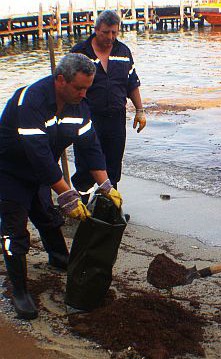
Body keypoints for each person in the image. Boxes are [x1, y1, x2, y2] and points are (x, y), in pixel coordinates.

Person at [0, 53, 122, 320]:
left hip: (41, 172)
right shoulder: (30, 100)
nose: (83, 93)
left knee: (47, 217)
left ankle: (57, 257)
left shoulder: (79, 105)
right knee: (15, 231)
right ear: (60, 80)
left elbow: (90, 146)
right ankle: (19, 290)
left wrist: (106, 186)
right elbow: (38, 152)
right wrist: (66, 192)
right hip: (10, 171)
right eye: (79, 87)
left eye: (87, 88)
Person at [70, 10, 146, 206]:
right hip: (87, 119)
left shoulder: (123, 52)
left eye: (114, 32)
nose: (110, 37)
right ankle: (82, 203)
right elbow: (68, 86)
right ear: (96, 30)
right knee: (86, 164)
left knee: (113, 164)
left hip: (116, 118)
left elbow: (132, 83)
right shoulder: (80, 53)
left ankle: (108, 206)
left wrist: (140, 110)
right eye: (106, 32)